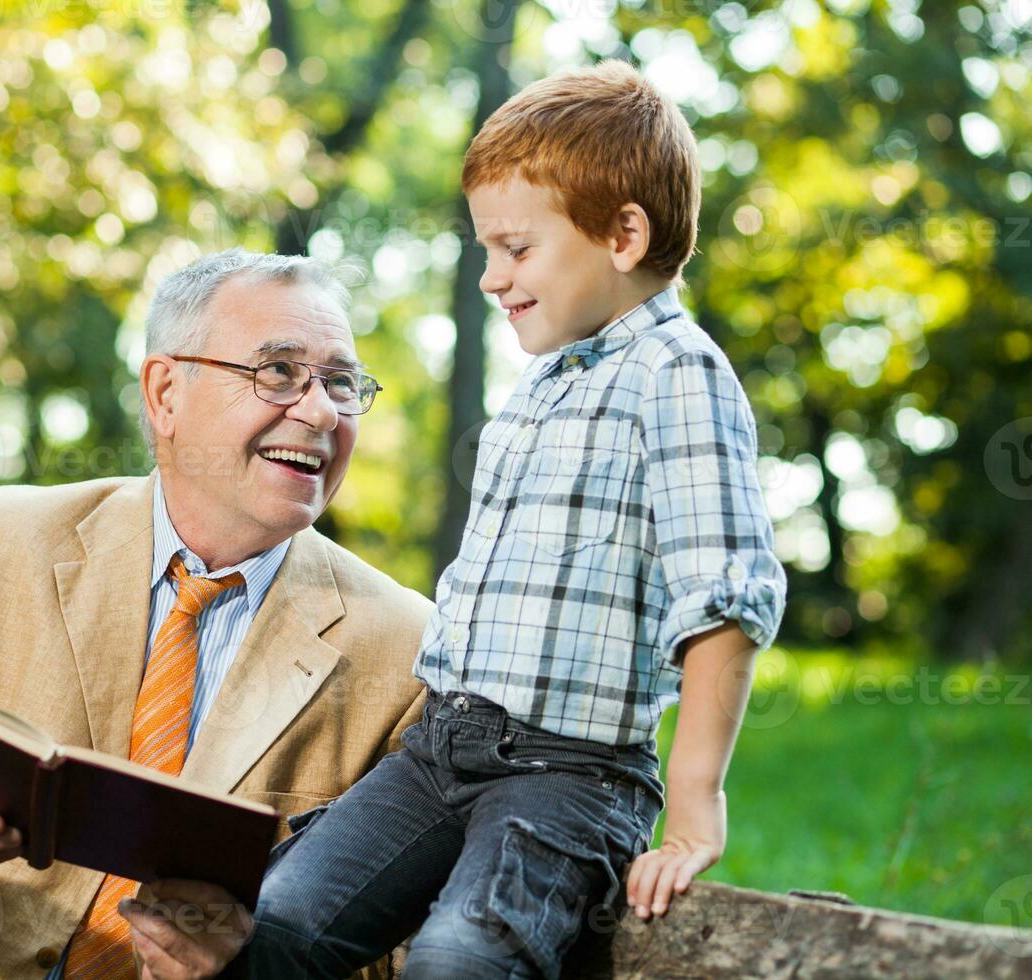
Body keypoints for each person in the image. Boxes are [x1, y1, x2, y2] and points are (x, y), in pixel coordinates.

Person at [244, 60, 788, 979]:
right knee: (280, 918)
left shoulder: (677, 376)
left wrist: (695, 807)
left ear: (623, 235)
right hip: (438, 750)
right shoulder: (541, 387)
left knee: (460, 957)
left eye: (517, 249)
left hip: (571, 777)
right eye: (485, 252)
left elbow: (725, 600)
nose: (494, 278)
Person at [0, 248, 431, 980]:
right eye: (280, 372)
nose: (323, 409)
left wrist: (251, 963)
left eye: (342, 382)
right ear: (165, 392)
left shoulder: (408, 648)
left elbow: (398, 950)